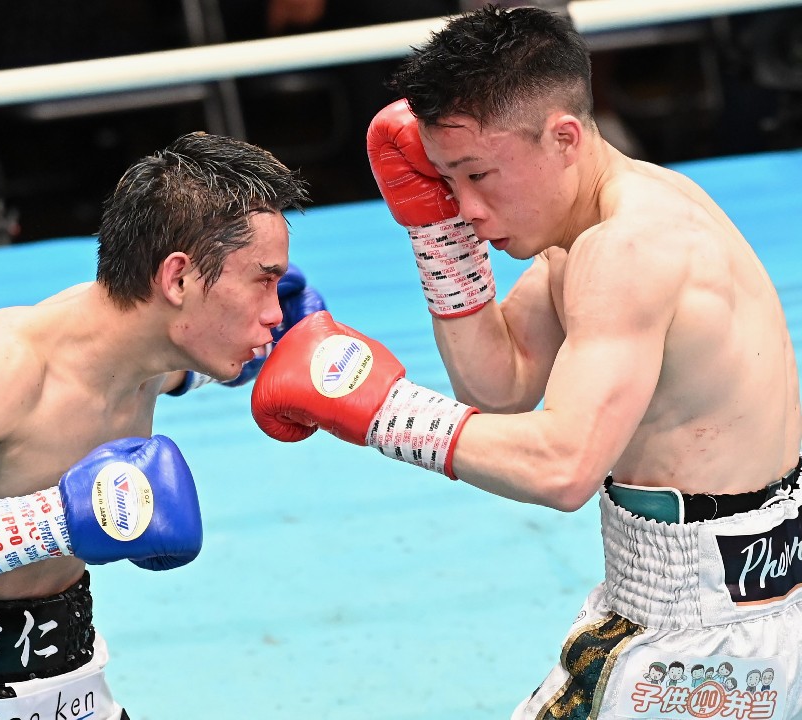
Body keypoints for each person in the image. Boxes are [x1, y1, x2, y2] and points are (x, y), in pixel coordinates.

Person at [249, 5, 802, 718]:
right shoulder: (621, 212)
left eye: (478, 174)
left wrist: (381, 411)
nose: (468, 207)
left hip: (695, 635)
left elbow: (563, 467)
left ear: (563, 136)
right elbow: (499, 384)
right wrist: (439, 238)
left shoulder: (626, 250)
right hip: (750, 597)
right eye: (448, 182)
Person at [0, 131, 324, 719]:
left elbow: (179, 372)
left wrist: (263, 354)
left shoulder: (143, 352)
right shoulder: (0, 365)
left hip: (67, 677)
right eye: (262, 281)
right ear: (177, 279)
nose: (275, 309)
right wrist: (59, 521)